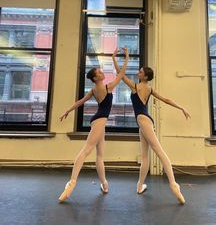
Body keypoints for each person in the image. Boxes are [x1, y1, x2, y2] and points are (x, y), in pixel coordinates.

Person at [112, 50, 190, 204]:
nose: (138, 72)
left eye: (140, 72)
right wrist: (181, 107)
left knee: (159, 152)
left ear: (145, 76)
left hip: (144, 121)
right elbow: (166, 99)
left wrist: (121, 58)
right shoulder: (149, 89)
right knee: (145, 156)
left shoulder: (136, 87)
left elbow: (120, 74)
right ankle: (140, 186)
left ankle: (174, 186)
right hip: (144, 122)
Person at [58, 47, 129, 202]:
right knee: (86, 151)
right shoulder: (106, 87)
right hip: (99, 122)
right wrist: (122, 57)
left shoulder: (95, 89)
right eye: (99, 72)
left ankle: (104, 184)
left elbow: (80, 102)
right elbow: (122, 74)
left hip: (99, 122)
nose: (102, 73)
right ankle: (71, 183)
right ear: (96, 78)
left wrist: (67, 111)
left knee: (100, 156)